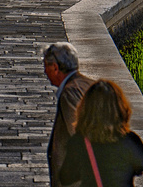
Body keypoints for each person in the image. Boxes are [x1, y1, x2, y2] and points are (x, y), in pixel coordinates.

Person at [57, 80, 143, 187]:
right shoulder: (129, 140)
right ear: (120, 108)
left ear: (86, 110)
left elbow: (66, 178)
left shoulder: (79, 141)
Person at [43, 42, 93, 187]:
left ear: (55, 67)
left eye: (46, 65)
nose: (45, 71)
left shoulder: (70, 94)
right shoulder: (89, 84)